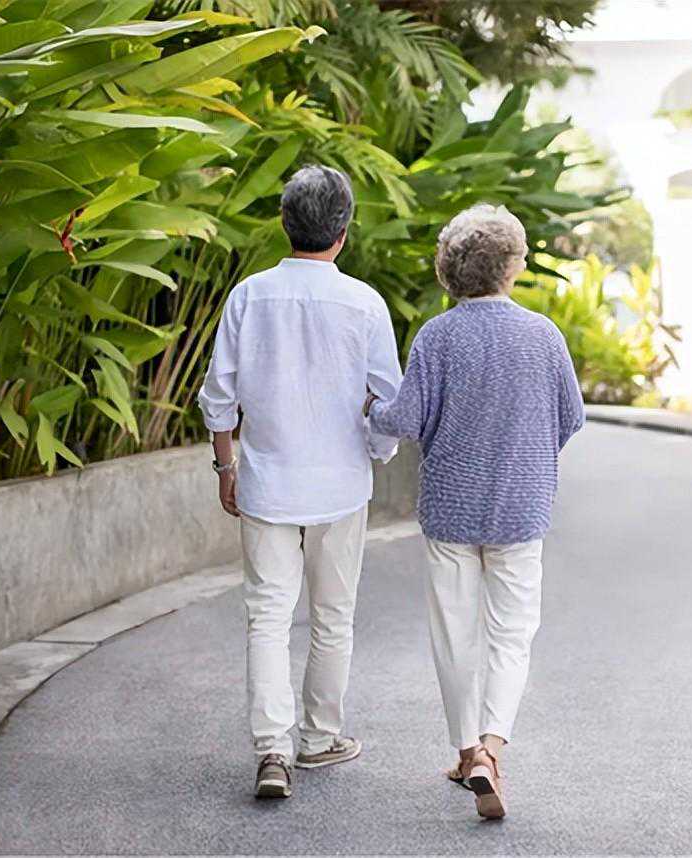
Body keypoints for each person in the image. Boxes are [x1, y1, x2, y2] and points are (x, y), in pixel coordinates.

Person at [366, 204, 585, 819]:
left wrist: (370, 410)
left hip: (451, 508)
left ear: (450, 269)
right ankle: (492, 748)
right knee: (511, 634)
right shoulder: (544, 335)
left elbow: (406, 420)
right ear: (511, 266)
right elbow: (571, 417)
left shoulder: (437, 337)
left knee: (454, 631)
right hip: (521, 506)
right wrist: (527, 455)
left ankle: (467, 752)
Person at [197, 165, 402, 800]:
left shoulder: (248, 297)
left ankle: (272, 752)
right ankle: (318, 739)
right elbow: (388, 400)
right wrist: (375, 452)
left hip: (266, 484)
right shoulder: (364, 303)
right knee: (332, 617)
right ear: (344, 232)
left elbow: (218, 396)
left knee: (266, 616)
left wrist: (226, 466)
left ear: (285, 224)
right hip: (341, 488)